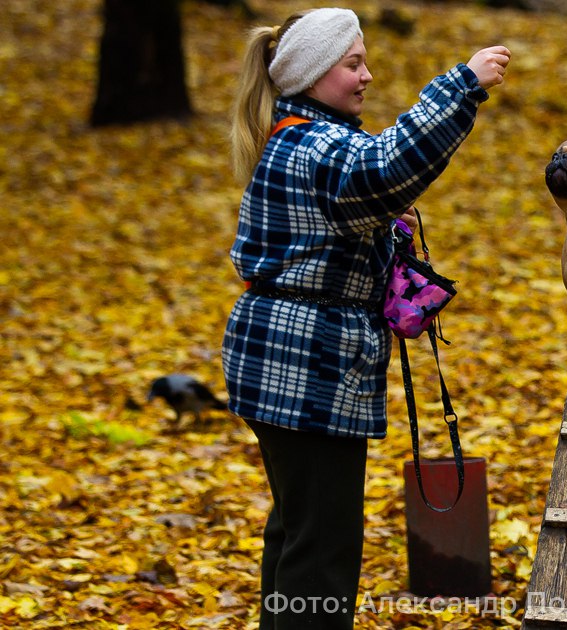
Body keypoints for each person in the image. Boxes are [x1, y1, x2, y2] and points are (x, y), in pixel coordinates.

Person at [221, 8, 509, 629]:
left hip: (289, 363)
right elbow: (386, 167)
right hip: (305, 367)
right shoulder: (313, 146)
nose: (367, 76)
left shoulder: (304, 139)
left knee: (299, 530)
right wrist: (462, 86)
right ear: (313, 73)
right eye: (353, 64)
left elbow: (368, 187)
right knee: (322, 548)